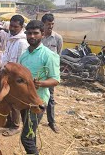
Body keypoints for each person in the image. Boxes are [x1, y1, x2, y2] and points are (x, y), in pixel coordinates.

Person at [19, 20, 60, 154]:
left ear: (42, 34)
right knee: (31, 133)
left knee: (26, 138)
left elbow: (55, 80)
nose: (32, 36)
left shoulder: (48, 55)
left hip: (38, 101)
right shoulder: (24, 55)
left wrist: (40, 83)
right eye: (29, 33)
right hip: (24, 101)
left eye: (35, 33)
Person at [1, 15, 28, 137]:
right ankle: (10, 121)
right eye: (11, 26)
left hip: (15, 76)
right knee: (8, 100)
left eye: (15, 27)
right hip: (7, 73)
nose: (12, 28)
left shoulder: (22, 42)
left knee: (15, 101)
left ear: (21, 27)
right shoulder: (11, 38)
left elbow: (20, 63)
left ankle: (16, 126)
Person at [41, 13, 63, 133]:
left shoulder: (58, 38)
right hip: (39, 71)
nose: (51, 26)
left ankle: (51, 122)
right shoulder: (39, 37)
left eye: (52, 24)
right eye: (48, 24)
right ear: (43, 24)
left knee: (50, 98)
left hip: (50, 73)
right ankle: (34, 118)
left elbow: (58, 55)